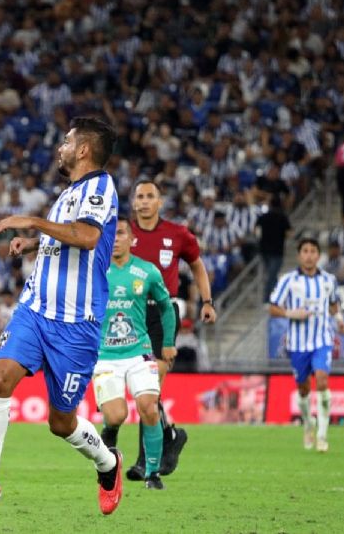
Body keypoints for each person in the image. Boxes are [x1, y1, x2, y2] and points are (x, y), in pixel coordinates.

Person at [0, 117, 122, 518]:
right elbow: (65, 237)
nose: (61, 147)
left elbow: (87, 237)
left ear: (84, 150)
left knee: (61, 423)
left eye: (67, 141)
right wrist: (33, 243)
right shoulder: (69, 193)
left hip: (75, 325)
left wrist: (31, 220)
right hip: (35, 311)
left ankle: (108, 464)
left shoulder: (101, 186)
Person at [127, 179, 218, 481]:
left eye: (149, 196)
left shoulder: (178, 234)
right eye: (139, 196)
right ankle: (171, 434)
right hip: (130, 314)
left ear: (160, 202)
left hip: (164, 314)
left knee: (148, 388)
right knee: (144, 392)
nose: (143, 201)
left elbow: (198, 266)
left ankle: (143, 462)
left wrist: (207, 301)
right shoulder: (122, 234)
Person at [95, 216, 176, 490]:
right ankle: (110, 432)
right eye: (111, 234)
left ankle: (152, 474)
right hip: (105, 354)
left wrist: (166, 343)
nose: (115, 239)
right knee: (116, 415)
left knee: (149, 409)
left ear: (131, 239)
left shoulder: (147, 272)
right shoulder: (94, 269)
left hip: (139, 352)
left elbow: (166, 306)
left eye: (120, 234)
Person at [268, 239, 344, 453]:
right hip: (298, 343)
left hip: (322, 339)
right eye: (305, 251)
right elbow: (273, 307)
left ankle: (322, 435)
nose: (309, 255)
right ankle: (307, 423)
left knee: (322, 380)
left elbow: (333, 304)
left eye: (313, 251)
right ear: (299, 255)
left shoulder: (328, 280)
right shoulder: (289, 280)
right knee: (303, 389)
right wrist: (290, 313)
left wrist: (339, 320)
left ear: (318, 255)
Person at [256, 195, 293, 301]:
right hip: (277, 251)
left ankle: (278, 296)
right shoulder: (283, 217)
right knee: (272, 276)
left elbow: (257, 231)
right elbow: (289, 233)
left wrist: (262, 239)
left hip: (264, 251)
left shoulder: (263, 217)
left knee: (272, 275)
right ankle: (267, 299)